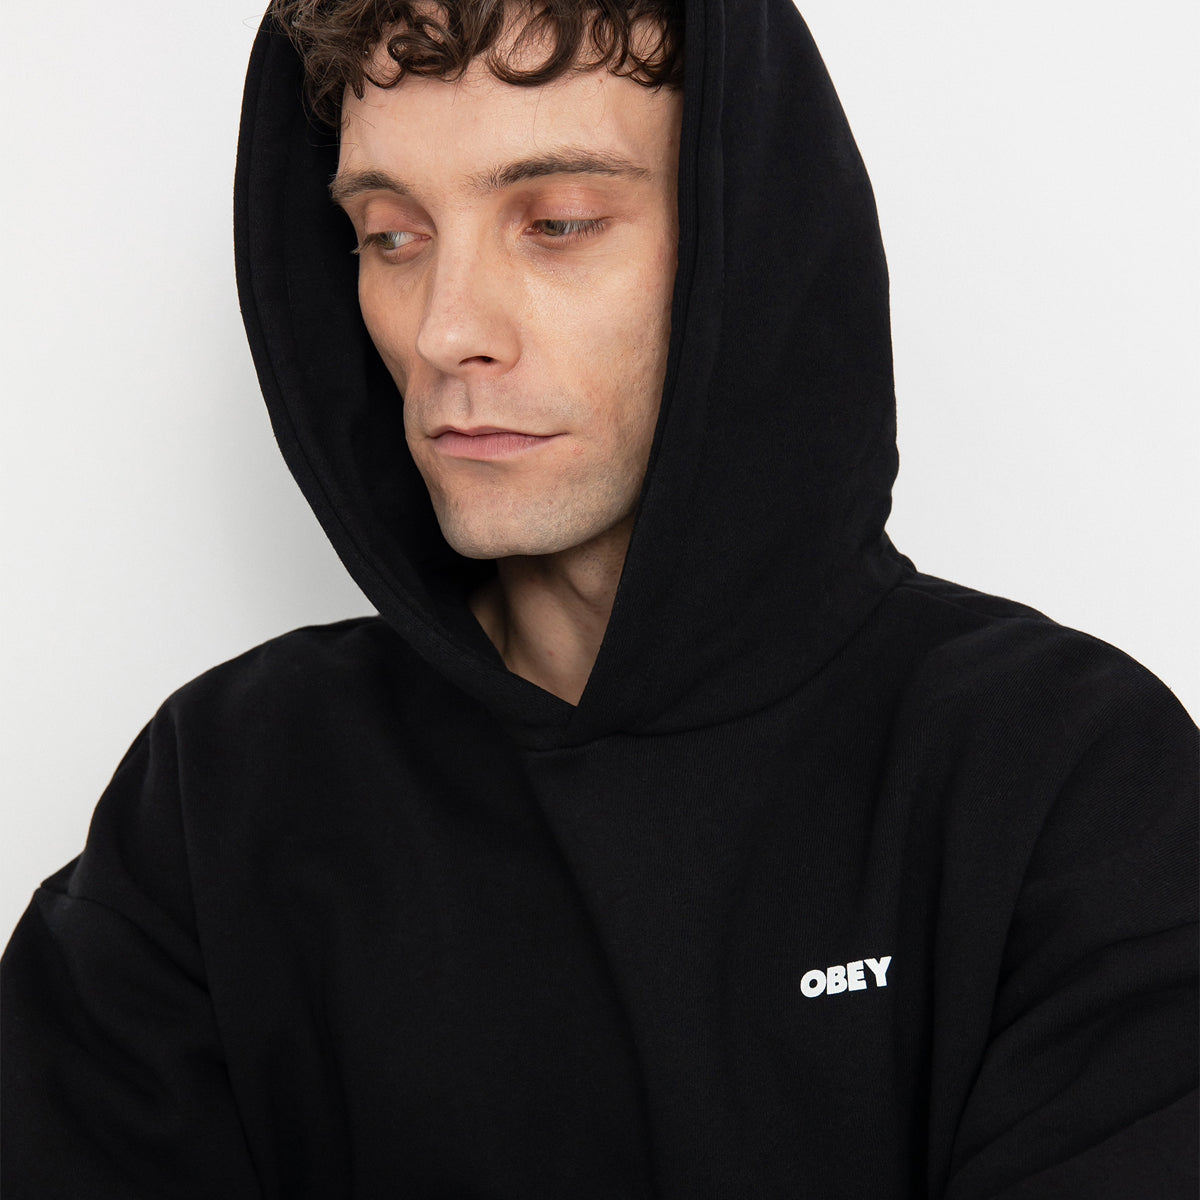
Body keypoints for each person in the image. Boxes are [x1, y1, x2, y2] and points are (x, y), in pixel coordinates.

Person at [2, 0, 1196, 1194]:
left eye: (558, 222)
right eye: (392, 235)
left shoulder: (1066, 777)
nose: (448, 332)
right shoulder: (221, 799)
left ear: (749, 240)